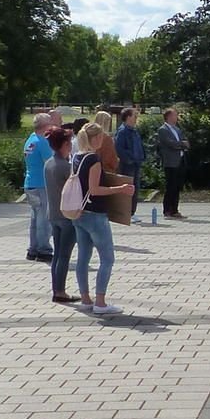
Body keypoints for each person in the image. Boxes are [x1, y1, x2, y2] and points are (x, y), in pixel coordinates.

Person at [73, 122, 134, 316]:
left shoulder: (77, 156)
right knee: (107, 258)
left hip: (79, 213)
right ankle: (100, 302)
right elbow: (95, 189)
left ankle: (85, 299)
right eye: (102, 137)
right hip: (95, 214)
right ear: (97, 138)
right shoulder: (94, 160)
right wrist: (121, 189)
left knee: (83, 257)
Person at [44, 127, 78, 305]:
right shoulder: (65, 166)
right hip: (66, 216)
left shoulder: (49, 162)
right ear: (65, 144)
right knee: (64, 255)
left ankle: (56, 288)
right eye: (70, 142)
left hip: (53, 214)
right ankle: (60, 291)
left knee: (57, 254)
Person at [22, 113, 53, 261]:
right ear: (45, 126)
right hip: (42, 184)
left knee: (35, 217)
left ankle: (33, 249)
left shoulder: (30, 140)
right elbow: (50, 162)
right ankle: (43, 250)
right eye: (50, 123)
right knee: (44, 219)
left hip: (30, 183)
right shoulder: (42, 142)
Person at [156, 109, 189, 218]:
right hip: (170, 162)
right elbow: (170, 143)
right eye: (175, 115)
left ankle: (175, 209)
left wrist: (182, 144)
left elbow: (185, 141)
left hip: (180, 161)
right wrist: (181, 144)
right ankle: (167, 210)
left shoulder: (177, 129)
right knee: (170, 186)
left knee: (177, 186)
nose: (177, 117)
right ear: (169, 117)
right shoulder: (163, 130)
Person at [115, 107, 146, 212]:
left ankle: (132, 212)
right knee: (128, 188)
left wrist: (142, 157)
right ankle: (126, 211)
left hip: (136, 163)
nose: (136, 118)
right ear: (128, 117)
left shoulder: (134, 131)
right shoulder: (122, 131)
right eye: (134, 116)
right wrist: (129, 159)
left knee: (135, 188)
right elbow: (119, 148)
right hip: (128, 165)